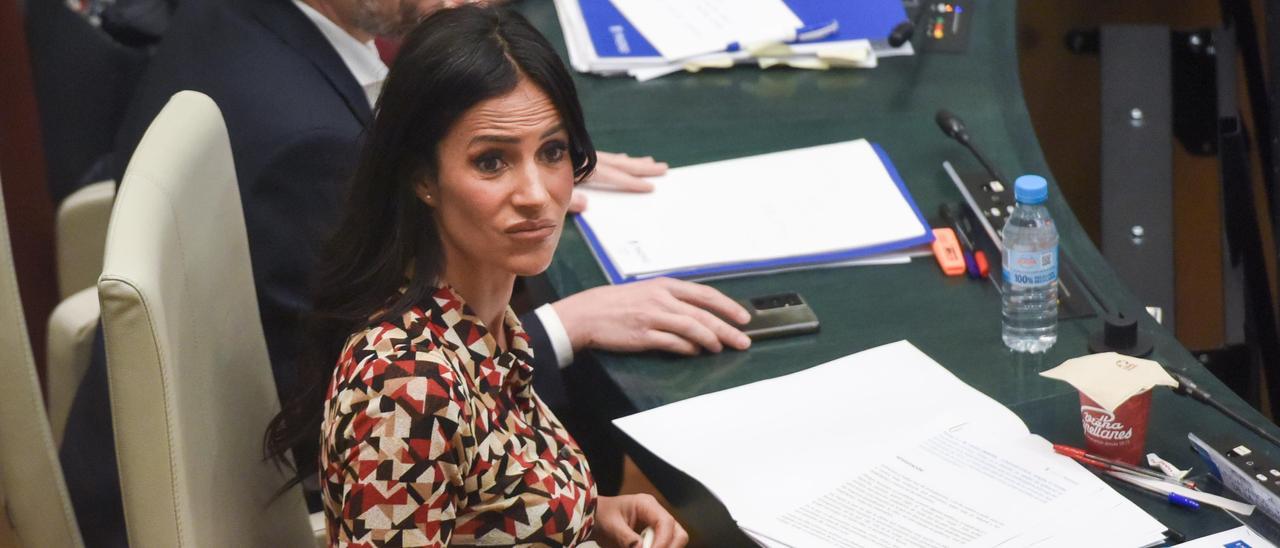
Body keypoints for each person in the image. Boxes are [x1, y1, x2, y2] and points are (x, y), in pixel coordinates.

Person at [265, 5, 688, 545]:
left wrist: (581, 513)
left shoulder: (482, 320)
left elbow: (476, 497)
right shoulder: (405, 392)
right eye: (492, 161)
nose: (536, 195)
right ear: (424, 178)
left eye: (552, 152)